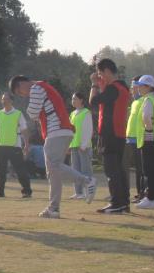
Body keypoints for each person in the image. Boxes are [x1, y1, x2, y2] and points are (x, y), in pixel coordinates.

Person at [10, 76, 97, 218]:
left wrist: (35, 112)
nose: (23, 95)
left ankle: (87, 181)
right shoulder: (42, 87)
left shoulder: (36, 88)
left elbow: (32, 112)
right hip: (61, 131)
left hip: (56, 131)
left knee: (53, 167)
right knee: (53, 171)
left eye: (19, 92)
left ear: (21, 84)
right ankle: (54, 208)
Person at [88, 58, 132, 213]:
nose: (100, 76)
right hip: (119, 133)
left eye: (100, 73)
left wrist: (94, 84)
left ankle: (117, 203)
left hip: (110, 134)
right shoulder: (122, 87)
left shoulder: (113, 89)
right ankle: (123, 202)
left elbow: (93, 101)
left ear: (107, 71)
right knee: (119, 170)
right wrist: (101, 83)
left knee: (111, 170)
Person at [0, 93, 32, 199]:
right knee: (1, 171)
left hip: (15, 146)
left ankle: (26, 191)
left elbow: (24, 129)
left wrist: (27, 144)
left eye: (6, 99)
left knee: (20, 170)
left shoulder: (18, 113)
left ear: (11, 101)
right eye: (2, 99)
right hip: (1, 146)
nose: (4, 101)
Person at [133, 75, 154, 209]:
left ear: (148, 87)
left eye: (141, 85)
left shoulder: (148, 100)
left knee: (149, 169)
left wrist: (148, 128)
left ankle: (151, 198)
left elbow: (146, 116)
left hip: (148, 139)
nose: (138, 88)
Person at [68, 93, 94, 200]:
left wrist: (83, 145)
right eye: (72, 98)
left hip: (84, 147)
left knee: (85, 170)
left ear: (81, 100)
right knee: (75, 170)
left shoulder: (86, 112)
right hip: (74, 146)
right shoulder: (72, 114)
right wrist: (68, 145)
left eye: (75, 99)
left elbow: (89, 130)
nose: (73, 100)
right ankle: (78, 192)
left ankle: (86, 192)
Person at [126, 76, 146, 203]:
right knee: (137, 168)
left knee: (141, 169)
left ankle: (142, 193)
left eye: (133, 88)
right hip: (131, 140)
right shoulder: (134, 103)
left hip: (140, 140)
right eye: (131, 88)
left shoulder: (145, 101)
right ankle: (140, 192)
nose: (131, 90)